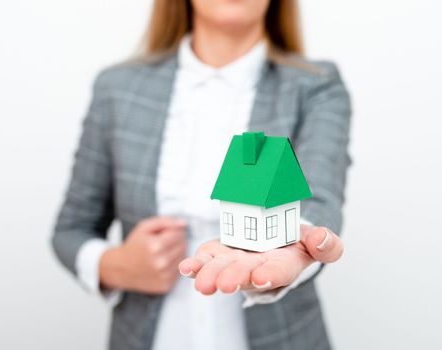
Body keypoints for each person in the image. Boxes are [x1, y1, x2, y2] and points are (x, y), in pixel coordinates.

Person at [52, 0, 351, 349]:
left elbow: (319, 200)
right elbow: (71, 229)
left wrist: (299, 242)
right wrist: (114, 264)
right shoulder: (116, 88)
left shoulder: (317, 85)